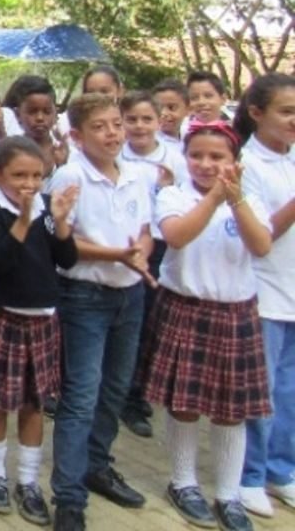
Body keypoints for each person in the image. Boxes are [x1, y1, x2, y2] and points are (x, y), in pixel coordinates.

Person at [142, 121, 271, 531]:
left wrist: (235, 201)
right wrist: (215, 198)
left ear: (236, 162)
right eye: (197, 155)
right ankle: (183, 483)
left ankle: (229, 494)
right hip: (185, 306)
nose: (205, 164)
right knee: (184, 402)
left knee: (231, 410)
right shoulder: (173, 195)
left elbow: (261, 245)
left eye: (217, 157)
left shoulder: (250, 199)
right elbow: (177, 236)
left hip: (235, 311)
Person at [48, 93, 154, 531]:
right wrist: (119, 254)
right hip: (84, 298)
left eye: (117, 124)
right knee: (81, 396)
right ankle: (69, 497)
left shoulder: (136, 173)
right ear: (76, 135)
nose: (112, 133)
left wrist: (141, 255)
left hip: (129, 295)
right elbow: (64, 243)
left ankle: (98, 464)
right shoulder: (70, 175)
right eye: (100, 127)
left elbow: (144, 231)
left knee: (114, 390)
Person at [0, 137, 79, 527]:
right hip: (4, 315)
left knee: (35, 403)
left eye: (36, 175)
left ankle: (29, 480)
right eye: (19, 175)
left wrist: (62, 223)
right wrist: (24, 219)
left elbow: (67, 259)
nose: (29, 184)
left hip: (43, 318)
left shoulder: (48, 207)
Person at [237, 73, 295, 516]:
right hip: (264, 290)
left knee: (290, 390)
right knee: (262, 390)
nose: (294, 121)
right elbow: (263, 234)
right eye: (287, 111)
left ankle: (281, 470)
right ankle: (249, 475)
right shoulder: (246, 166)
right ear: (257, 113)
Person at [153, 79, 191, 148]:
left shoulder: (190, 139)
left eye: (171, 108)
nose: (163, 113)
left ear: (188, 109)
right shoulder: (150, 144)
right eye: (158, 108)